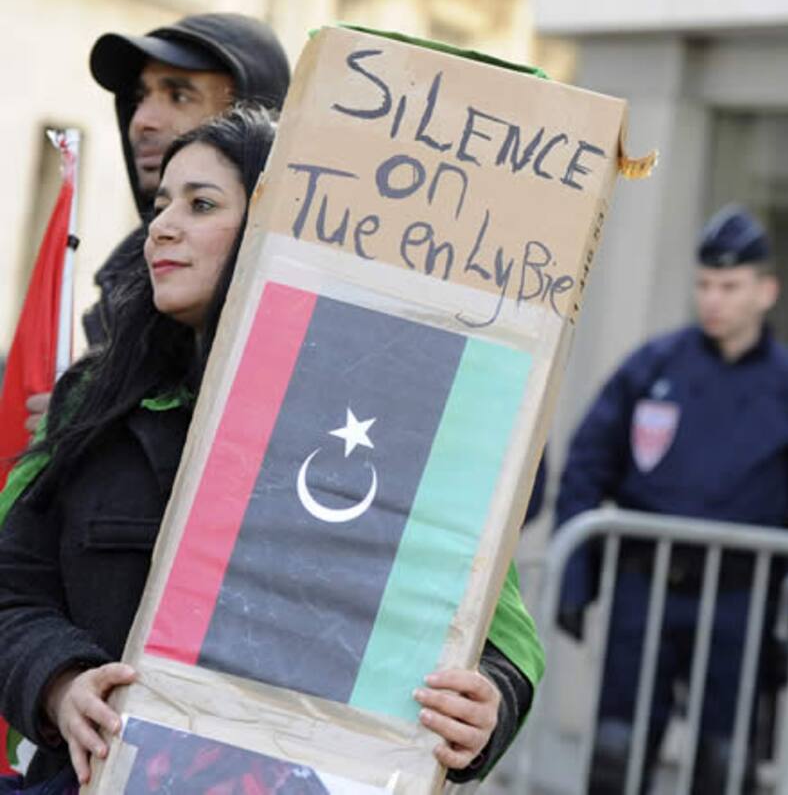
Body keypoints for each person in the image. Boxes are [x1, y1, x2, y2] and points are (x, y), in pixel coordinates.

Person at [0, 106, 543, 792]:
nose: (162, 226)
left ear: (273, 224)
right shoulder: (94, 406)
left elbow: (499, 636)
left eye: (201, 205)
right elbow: (11, 590)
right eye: (162, 203)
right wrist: (59, 680)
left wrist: (488, 702)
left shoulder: (386, 428)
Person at [555, 205, 788, 793]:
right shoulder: (654, 366)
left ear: (766, 291)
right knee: (618, 754)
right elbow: (588, 464)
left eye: (730, 286)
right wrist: (576, 580)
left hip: (741, 602)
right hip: (647, 588)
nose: (713, 299)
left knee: (726, 762)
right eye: (705, 285)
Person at [24, 12, 290, 430]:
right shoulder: (127, 274)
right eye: (140, 96)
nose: (143, 121)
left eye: (179, 96)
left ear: (254, 114)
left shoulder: (298, 311)